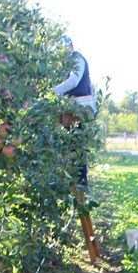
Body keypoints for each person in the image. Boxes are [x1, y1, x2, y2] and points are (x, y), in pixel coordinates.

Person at [53, 36, 96, 187]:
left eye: (64, 47)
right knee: (68, 147)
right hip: (69, 110)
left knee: (76, 147)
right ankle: (71, 185)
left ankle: (80, 186)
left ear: (70, 46)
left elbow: (73, 82)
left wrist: (51, 92)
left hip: (80, 109)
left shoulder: (77, 60)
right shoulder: (62, 64)